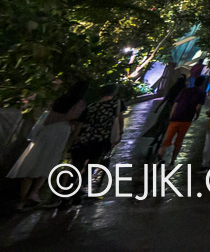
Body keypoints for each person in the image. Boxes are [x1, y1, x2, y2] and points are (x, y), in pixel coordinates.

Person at [8, 81, 87, 209]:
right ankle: (34, 193)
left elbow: (48, 113)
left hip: (47, 130)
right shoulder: (80, 103)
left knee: (33, 160)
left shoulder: (60, 99)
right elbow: (76, 119)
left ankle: (21, 201)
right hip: (62, 131)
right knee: (49, 161)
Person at [68, 85, 125, 186]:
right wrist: (120, 133)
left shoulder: (91, 106)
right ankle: (79, 190)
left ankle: (66, 190)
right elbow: (120, 119)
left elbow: (80, 125)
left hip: (84, 139)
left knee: (76, 166)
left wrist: (73, 140)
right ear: (114, 93)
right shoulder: (116, 104)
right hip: (101, 140)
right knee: (92, 166)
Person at [158, 75, 207, 164]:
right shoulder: (202, 93)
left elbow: (176, 104)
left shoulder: (185, 91)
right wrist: (197, 115)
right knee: (179, 140)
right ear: (203, 84)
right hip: (186, 119)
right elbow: (198, 107)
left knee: (167, 140)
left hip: (176, 117)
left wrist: (171, 116)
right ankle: (172, 161)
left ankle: (160, 155)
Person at [142, 78, 186, 157]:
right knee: (167, 126)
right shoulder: (182, 91)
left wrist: (158, 108)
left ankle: (156, 139)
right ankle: (161, 139)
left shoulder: (173, 89)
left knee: (160, 123)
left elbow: (166, 98)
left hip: (166, 109)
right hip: (174, 111)